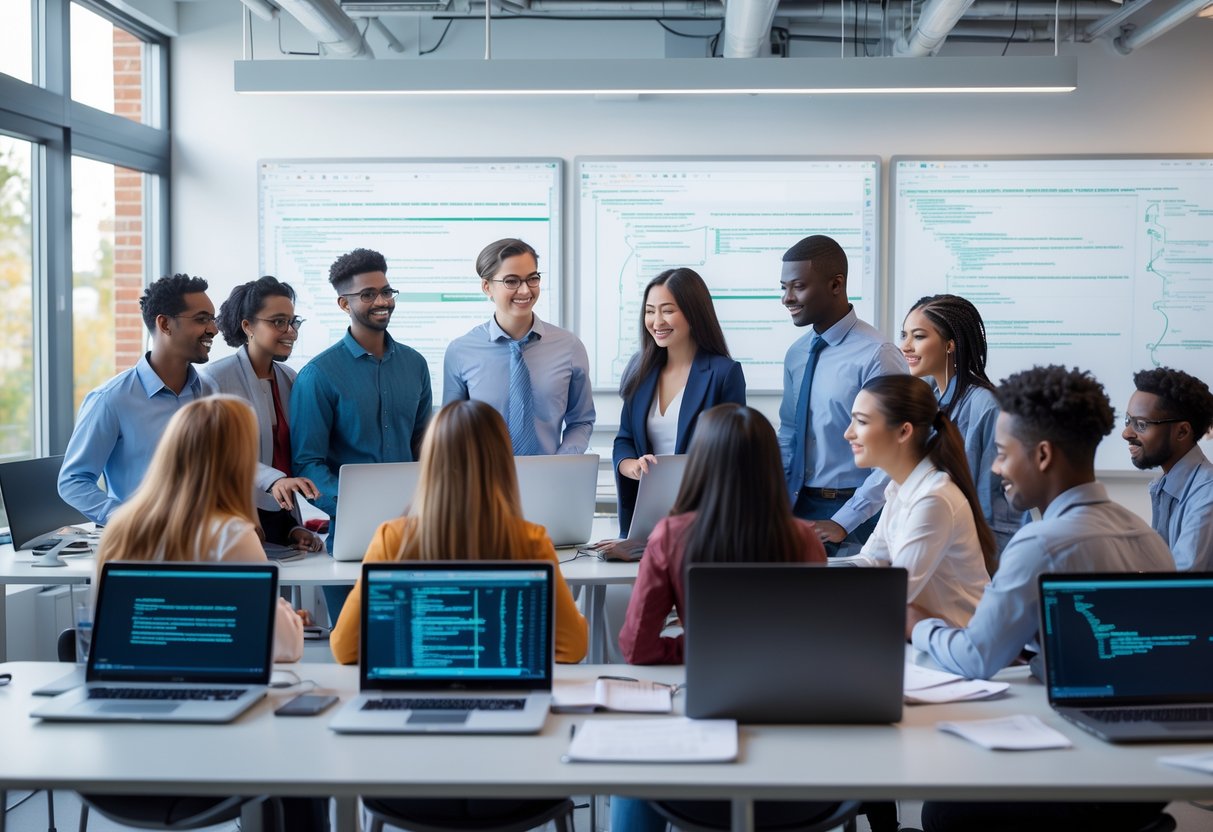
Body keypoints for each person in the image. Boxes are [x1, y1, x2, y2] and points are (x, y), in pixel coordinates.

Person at [909, 365, 1174, 680]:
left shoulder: (1040, 544)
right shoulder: (1146, 535)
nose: (995, 468)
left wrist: (916, 624)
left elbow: (976, 657)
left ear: (1043, 455)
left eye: (1003, 454)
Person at [330, 399, 587, 664]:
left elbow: (344, 648)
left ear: (430, 463)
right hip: (500, 688)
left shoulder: (393, 539)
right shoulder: (530, 541)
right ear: (503, 464)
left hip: (418, 690)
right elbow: (572, 647)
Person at [95, 396, 304, 663]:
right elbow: (281, 647)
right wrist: (288, 614)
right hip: (209, 684)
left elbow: (107, 632)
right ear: (237, 462)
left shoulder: (120, 526)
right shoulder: (231, 534)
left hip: (132, 687)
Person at [618, 403, 826, 665]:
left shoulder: (671, 536)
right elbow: (814, 640)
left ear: (700, 462)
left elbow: (637, 647)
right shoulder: (804, 538)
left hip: (706, 688)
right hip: (785, 691)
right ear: (771, 463)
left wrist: (698, 646)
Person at [290, 248, 432, 619]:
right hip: (353, 540)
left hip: (415, 535)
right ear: (343, 303)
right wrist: (356, 508)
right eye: (368, 294)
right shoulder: (319, 375)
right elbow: (307, 463)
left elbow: (424, 445)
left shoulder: (416, 365)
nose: (381, 301)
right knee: (353, 649)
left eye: (386, 291)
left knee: (420, 643)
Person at [777, 235, 908, 554]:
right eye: (783, 288)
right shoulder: (797, 354)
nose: (787, 298)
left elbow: (898, 449)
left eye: (798, 286)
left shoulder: (877, 355)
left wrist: (845, 520)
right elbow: (789, 434)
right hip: (797, 507)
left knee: (851, 604)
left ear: (836, 285)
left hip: (856, 514)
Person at [58, 274, 218, 525]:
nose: (214, 329)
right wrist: (130, 522)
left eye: (212, 319)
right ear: (165, 324)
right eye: (202, 319)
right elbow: (73, 482)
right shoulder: (111, 399)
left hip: (207, 542)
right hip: (146, 551)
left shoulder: (209, 391)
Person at [841, 375, 993, 627]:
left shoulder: (934, 497)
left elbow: (896, 591)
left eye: (861, 421)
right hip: (930, 643)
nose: (849, 433)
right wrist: (816, 573)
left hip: (956, 648)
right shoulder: (899, 487)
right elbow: (873, 558)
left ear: (903, 431)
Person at [612, 268, 746, 536]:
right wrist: (632, 467)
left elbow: (733, 452)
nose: (657, 321)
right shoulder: (640, 369)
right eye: (650, 311)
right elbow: (625, 439)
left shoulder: (723, 373)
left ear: (693, 312)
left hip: (702, 518)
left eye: (667, 310)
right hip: (647, 514)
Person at [900, 293, 1027, 555]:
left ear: (950, 345)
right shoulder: (931, 399)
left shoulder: (985, 404)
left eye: (919, 336)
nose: (906, 346)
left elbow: (989, 497)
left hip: (981, 549)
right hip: (942, 539)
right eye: (905, 335)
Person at [443, 238, 594, 455]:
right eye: (511, 281)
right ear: (487, 287)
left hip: (549, 480)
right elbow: (451, 430)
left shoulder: (569, 347)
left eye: (532, 278)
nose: (525, 291)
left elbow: (581, 420)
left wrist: (562, 463)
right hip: (484, 483)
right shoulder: (461, 351)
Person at [204, 275, 322, 551]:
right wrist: (274, 479)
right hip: (231, 519)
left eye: (293, 321)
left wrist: (292, 527)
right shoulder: (215, 379)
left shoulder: (290, 379)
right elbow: (216, 456)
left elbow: (284, 455)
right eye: (278, 322)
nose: (291, 331)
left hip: (279, 517)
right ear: (248, 326)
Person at [1123, 367, 1213, 571]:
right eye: (1128, 420)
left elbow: (1179, 588)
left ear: (1182, 431)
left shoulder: (1207, 498)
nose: (1126, 433)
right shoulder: (1165, 485)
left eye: (1141, 424)